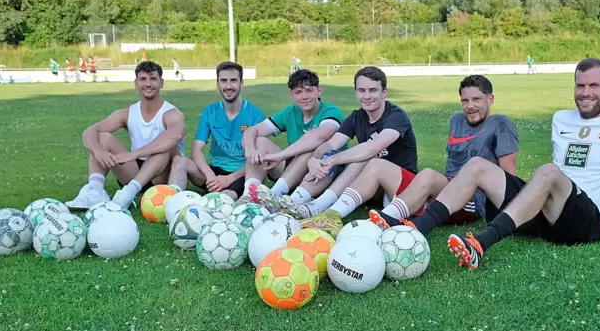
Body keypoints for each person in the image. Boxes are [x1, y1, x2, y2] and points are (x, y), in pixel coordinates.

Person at [400, 58, 600, 270]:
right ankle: (415, 230)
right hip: (547, 213)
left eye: (594, 86)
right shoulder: (562, 118)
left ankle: (481, 244)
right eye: (580, 86)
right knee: (479, 164)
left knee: (547, 171)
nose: (585, 93)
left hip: (589, 220)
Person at [257, 66, 418, 233]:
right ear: (355, 92)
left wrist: (332, 159)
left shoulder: (396, 116)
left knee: (363, 156)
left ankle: (319, 207)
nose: (367, 96)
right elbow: (330, 144)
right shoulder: (357, 117)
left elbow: (373, 147)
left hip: (402, 184)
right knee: (334, 154)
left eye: (373, 90)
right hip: (371, 184)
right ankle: (295, 202)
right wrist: (314, 159)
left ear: (384, 92)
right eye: (361, 90)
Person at [365, 75, 519, 229]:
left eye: (476, 99)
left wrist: (505, 217)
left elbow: (508, 176)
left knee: (428, 175)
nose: (470, 106)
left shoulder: (501, 123)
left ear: (490, 99)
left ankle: (386, 218)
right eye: (465, 100)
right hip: (443, 188)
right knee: (379, 165)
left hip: (470, 199)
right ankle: (342, 208)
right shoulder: (456, 120)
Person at [65, 61, 186, 210]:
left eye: (153, 79)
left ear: (161, 83)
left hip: (161, 176)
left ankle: (127, 194)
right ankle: (95, 191)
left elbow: (176, 135)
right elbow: (89, 131)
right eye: (143, 79)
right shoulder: (127, 113)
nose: (148, 84)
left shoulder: (171, 113)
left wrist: (135, 154)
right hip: (133, 171)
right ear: (136, 84)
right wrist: (99, 152)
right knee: (102, 137)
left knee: (167, 146)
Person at [241, 69, 344, 207]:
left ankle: (273, 197)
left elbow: (319, 136)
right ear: (292, 94)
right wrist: (250, 149)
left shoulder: (330, 111)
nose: (304, 96)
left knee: (311, 149)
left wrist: (280, 156)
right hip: (294, 170)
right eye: (298, 92)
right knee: (259, 141)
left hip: (322, 171)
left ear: (319, 90)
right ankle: (249, 195)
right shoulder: (289, 113)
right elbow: (252, 130)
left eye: (309, 90)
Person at [168, 62, 264, 200]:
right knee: (180, 161)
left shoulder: (255, 115)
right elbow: (196, 149)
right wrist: (209, 175)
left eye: (233, 81)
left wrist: (229, 179)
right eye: (223, 81)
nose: (228, 86)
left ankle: (226, 198)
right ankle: (172, 202)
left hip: (241, 173)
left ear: (241, 83)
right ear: (217, 84)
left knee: (223, 199)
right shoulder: (210, 111)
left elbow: (257, 159)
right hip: (213, 172)